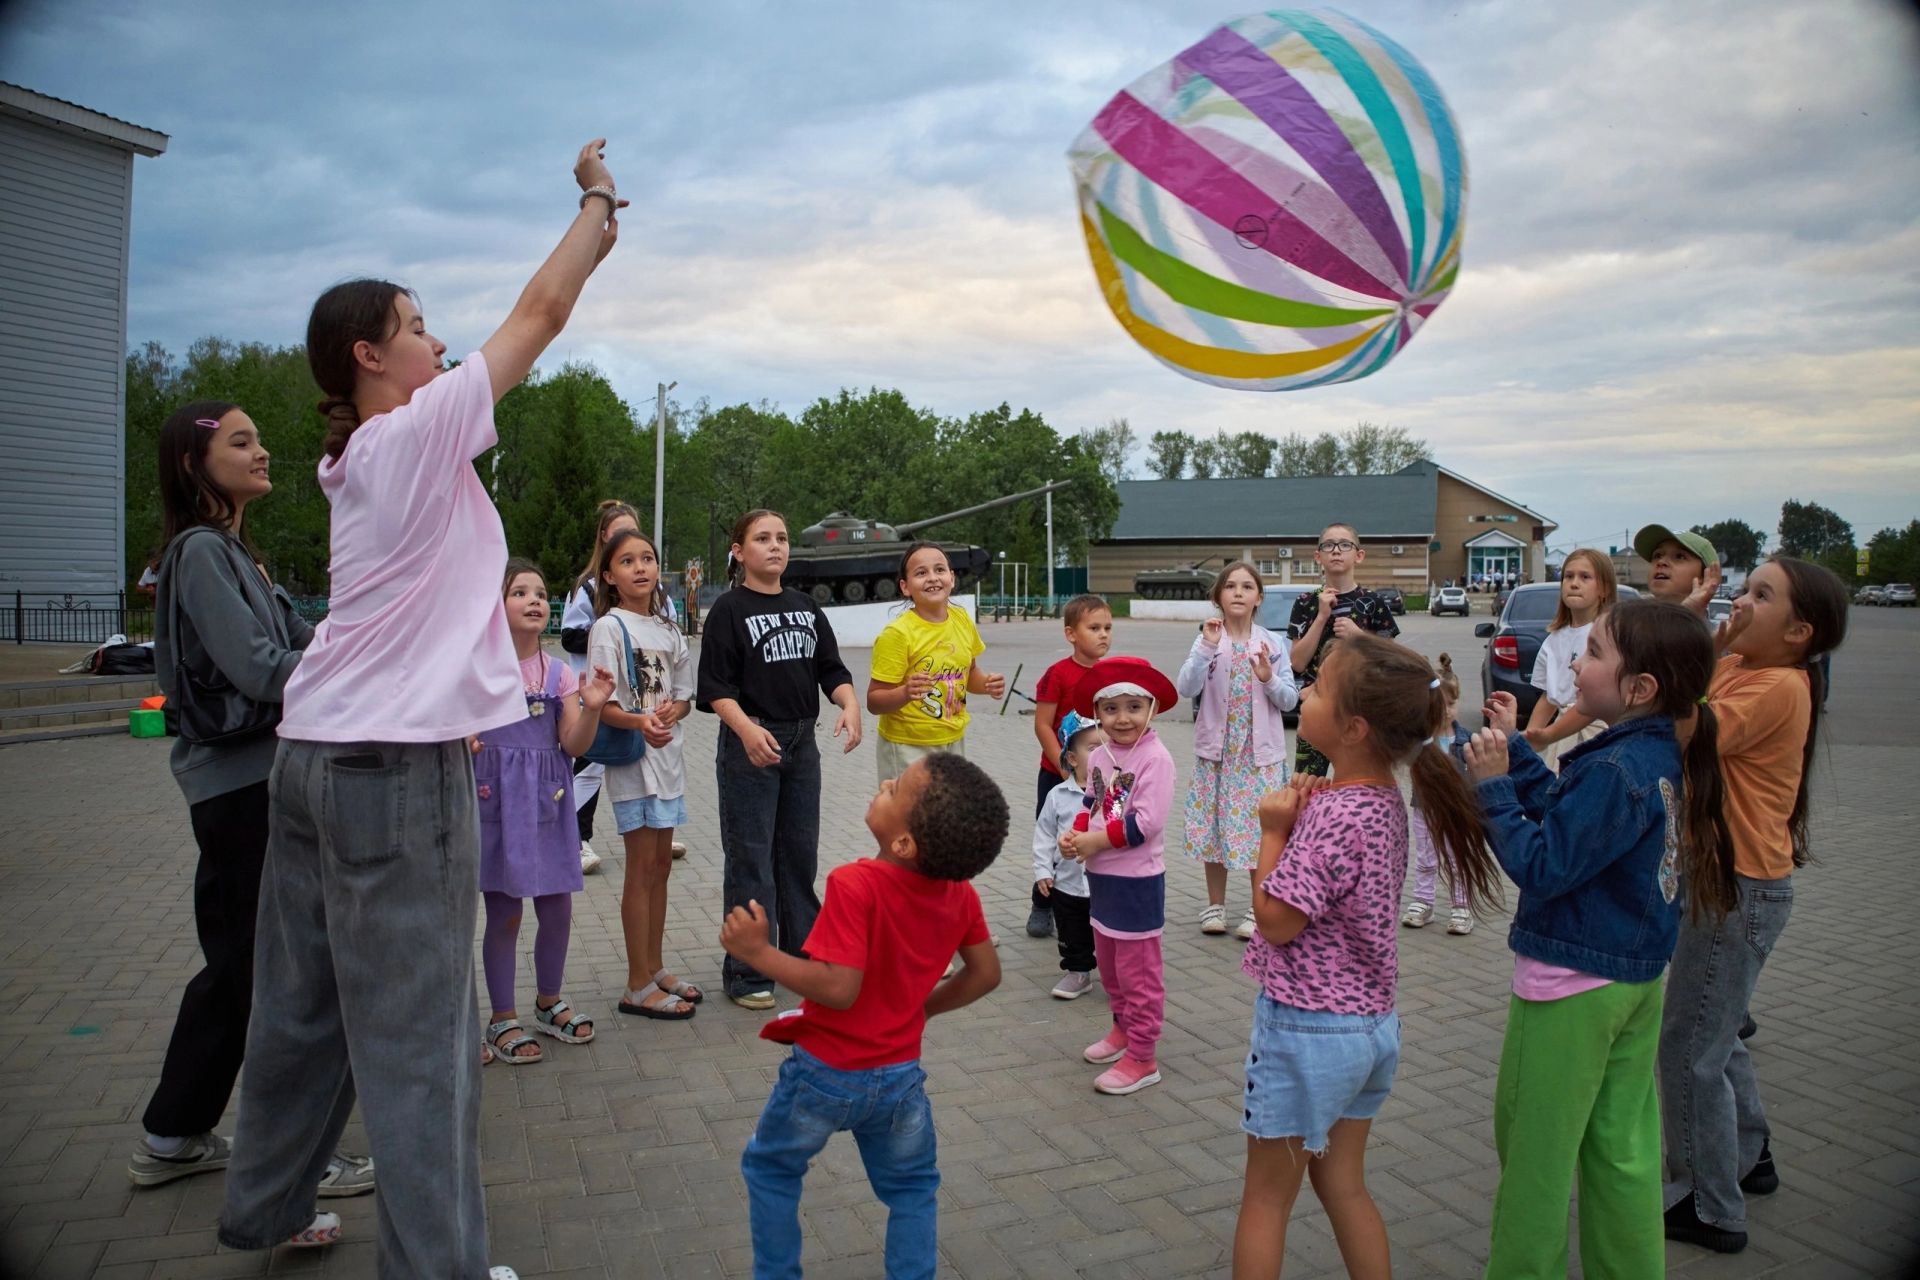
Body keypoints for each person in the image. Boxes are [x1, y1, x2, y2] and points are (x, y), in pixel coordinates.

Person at [216, 139, 627, 1278]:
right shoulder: (415, 428)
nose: (439, 340)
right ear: (372, 355)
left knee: (301, 1011)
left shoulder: (360, 462)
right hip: (395, 777)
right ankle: (438, 1263)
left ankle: (263, 1211)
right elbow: (541, 313)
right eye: (418, 324)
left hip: (309, 760)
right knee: (424, 1042)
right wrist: (595, 204)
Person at [136, 402, 371, 1234]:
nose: (262, 449)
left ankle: (175, 1131)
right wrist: (352, 662)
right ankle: (291, 1165)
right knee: (278, 975)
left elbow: (303, 639)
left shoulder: (234, 552)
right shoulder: (203, 554)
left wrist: (363, 635)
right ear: (196, 465)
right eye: (239, 441)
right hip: (240, 786)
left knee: (242, 967)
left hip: (252, 780)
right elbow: (263, 667)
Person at [1467, 599, 1737, 1276]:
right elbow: (1572, 824)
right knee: (1621, 1152)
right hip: (1632, 983)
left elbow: (1545, 864)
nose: (1577, 665)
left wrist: (1494, 788)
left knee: (1536, 1159)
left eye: (1592, 654)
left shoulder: (1616, 770)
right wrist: (1521, 754)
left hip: (1569, 991)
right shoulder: (1645, 757)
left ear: (1639, 688)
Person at [1233, 635, 1500, 1280]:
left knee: (1267, 1199)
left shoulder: (1335, 816)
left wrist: (1272, 834)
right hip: (1369, 1031)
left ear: (1353, 728)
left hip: (1307, 1031)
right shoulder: (1378, 801)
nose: (1306, 693)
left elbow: (1274, 922)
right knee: (1344, 1186)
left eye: (1319, 687)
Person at [723, 753, 1009, 1280]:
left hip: (824, 1076)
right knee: (912, 1188)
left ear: (903, 844)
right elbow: (986, 974)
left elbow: (838, 988)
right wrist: (919, 1009)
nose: (883, 783)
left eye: (895, 787)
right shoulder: (959, 894)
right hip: (900, 1080)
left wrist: (761, 954)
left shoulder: (855, 884)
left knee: (771, 1168)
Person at [1660, 557, 1850, 1255]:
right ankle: (1746, 1154)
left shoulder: (1779, 686)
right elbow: (1689, 690)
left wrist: (1696, 635)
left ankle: (1710, 1205)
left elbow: (1681, 725)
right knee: (1716, 1034)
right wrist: (1710, 637)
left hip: (1735, 890)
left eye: (1760, 596)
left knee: (1688, 1049)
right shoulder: (1746, 667)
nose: (1741, 602)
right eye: (1746, 587)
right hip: (1729, 885)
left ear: (1799, 631)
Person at [697, 510, 863, 1011]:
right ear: (739, 550)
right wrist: (747, 730)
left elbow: (831, 669)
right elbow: (716, 689)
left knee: (798, 854)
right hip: (751, 743)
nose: (775, 547)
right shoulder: (728, 610)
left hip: (801, 745)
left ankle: (800, 950)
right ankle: (747, 969)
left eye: (783, 538)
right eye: (762, 539)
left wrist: (849, 703)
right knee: (751, 859)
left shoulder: (806, 607)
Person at [475, 560, 614, 1065]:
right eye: (519, 592)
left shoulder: (558, 674)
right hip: (496, 803)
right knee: (505, 911)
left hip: (549, 804)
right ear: (496, 605)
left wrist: (594, 705)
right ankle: (501, 1017)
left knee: (558, 905)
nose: (535, 599)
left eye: (541, 592)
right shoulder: (479, 670)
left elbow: (573, 744)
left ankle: (549, 1000)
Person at [589, 528, 701, 1020]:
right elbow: (603, 705)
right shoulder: (609, 629)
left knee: (661, 867)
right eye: (628, 561)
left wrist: (673, 714)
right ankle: (636, 984)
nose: (640, 568)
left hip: (668, 762)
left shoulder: (670, 630)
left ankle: (654, 967)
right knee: (639, 870)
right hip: (635, 764)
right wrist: (641, 722)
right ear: (610, 576)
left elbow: (683, 696)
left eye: (648, 559)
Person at [1060, 656, 1179, 1096]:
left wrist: (1094, 843)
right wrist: (1074, 835)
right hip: (1103, 880)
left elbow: (1144, 823)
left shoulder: (1156, 759)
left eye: (1133, 706)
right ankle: (1122, 1031)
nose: (1122, 718)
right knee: (1110, 969)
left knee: (1139, 976)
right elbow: (1089, 801)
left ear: (1151, 708)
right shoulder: (1100, 756)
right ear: (1097, 713)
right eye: (1111, 709)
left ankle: (1144, 1057)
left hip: (1137, 884)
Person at [1176, 561, 1297, 942]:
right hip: (1218, 754)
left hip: (1259, 757)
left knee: (1260, 832)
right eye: (1230, 586)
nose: (1239, 592)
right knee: (1215, 828)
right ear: (1218, 597)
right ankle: (1215, 905)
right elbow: (1186, 687)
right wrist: (1206, 649)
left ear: (1259, 596)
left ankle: (1256, 907)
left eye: (1247, 586)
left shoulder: (1274, 644)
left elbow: (1290, 699)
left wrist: (1268, 677)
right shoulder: (1208, 639)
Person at [865, 541, 1004, 784]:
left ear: (952, 578)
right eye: (921, 573)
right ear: (905, 587)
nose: (932, 578)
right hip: (908, 745)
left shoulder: (961, 620)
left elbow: (969, 673)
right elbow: (874, 701)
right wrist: (906, 692)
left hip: (953, 740)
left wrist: (986, 684)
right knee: (911, 820)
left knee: (946, 818)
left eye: (939, 570)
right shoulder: (897, 634)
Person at [560, 498, 640, 875]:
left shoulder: (649, 589)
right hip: (596, 696)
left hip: (638, 697)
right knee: (589, 767)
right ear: (604, 538)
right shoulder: (588, 588)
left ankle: (652, 828)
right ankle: (574, 839)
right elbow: (569, 636)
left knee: (646, 759)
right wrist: (610, 630)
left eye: (632, 530)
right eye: (618, 532)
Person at [1026, 593, 1113, 938]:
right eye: (1094, 628)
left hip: (1103, 778)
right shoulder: (1057, 674)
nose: (1103, 634)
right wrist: (1064, 769)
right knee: (1055, 840)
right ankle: (1042, 903)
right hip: (1058, 776)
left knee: (1098, 835)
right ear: (1071, 634)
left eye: (1108, 627)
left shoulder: (1113, 676)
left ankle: (1096, 902)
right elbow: (1042, 725)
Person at [1287, 523, 1400, 777]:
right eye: (1329, 545)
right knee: (1306, 787)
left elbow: (1390, 664)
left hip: (1359, 712)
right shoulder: (1306, 602)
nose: (1336, 551)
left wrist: (1358, 636)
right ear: (1318, 557)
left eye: (1345, 545)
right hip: (1315, 711)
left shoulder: (1374, 603)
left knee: (1356, 784)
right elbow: (1297, 663)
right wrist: (1321, 617)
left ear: (1358, 555)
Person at [1400, 653, 1475, 934]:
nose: (1446, 711)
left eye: (1452, 704)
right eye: (1440, 704)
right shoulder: (1421, 739)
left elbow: (1477, 775)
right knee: (1426, 857)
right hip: (1424, 807)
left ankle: (1461, 907)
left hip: (1457, 809)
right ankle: (1423, 902)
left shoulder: (1466, 740)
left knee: (1457, 858)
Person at [1524, 548, 1618, 768]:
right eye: (1569, 576)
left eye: (1585, 577)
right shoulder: (1553, 639)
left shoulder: (1609, 633)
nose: (1574, 583)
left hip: (1598, 735)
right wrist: (1529, 743)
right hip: (1561, 738)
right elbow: (1549, 698)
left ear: (1604, 588)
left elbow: (1599, 701)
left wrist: (1551, 733)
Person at [1032, 710, 1103, 999]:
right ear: (1072, 758)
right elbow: (1044, 836)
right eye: (1093, 749)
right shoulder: (1058, 795)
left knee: (1109, 934)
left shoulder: (1114, 794)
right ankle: (1078, 973)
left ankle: (1118, 975)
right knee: (1072, 934)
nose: (1102, 755)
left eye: (1106, 748)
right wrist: (1043, 871)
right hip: (1068, 884)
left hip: (1106, 883)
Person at [1635, 524, 1721, 606]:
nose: (1661, 562)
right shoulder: (1630, 618)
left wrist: (1689, 611)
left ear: (1705, 576)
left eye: (1679, 556)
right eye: (1657, 555)